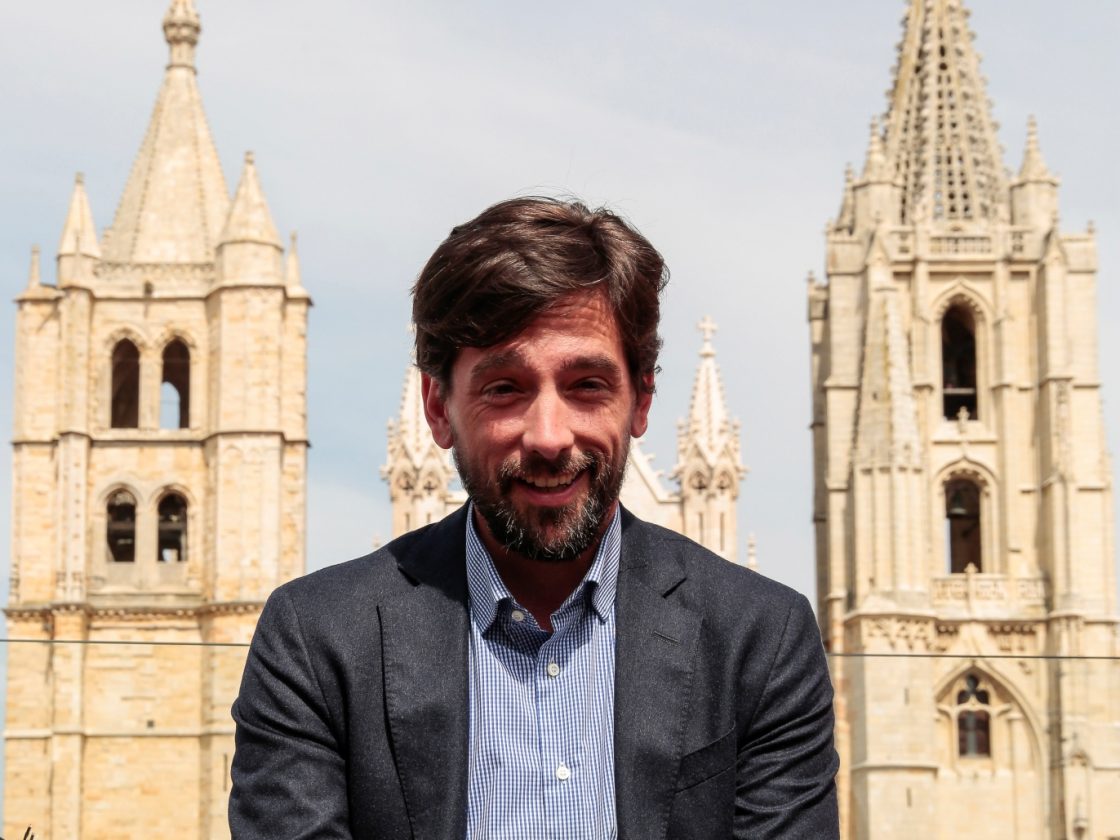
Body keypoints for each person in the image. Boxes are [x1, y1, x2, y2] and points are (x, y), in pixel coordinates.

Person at [229, 196, 839, 839]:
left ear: (642, 401)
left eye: (587, 386)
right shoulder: (316, 641)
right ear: (438, 410)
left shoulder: (760, 639)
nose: (549, 437)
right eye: (505, 389)